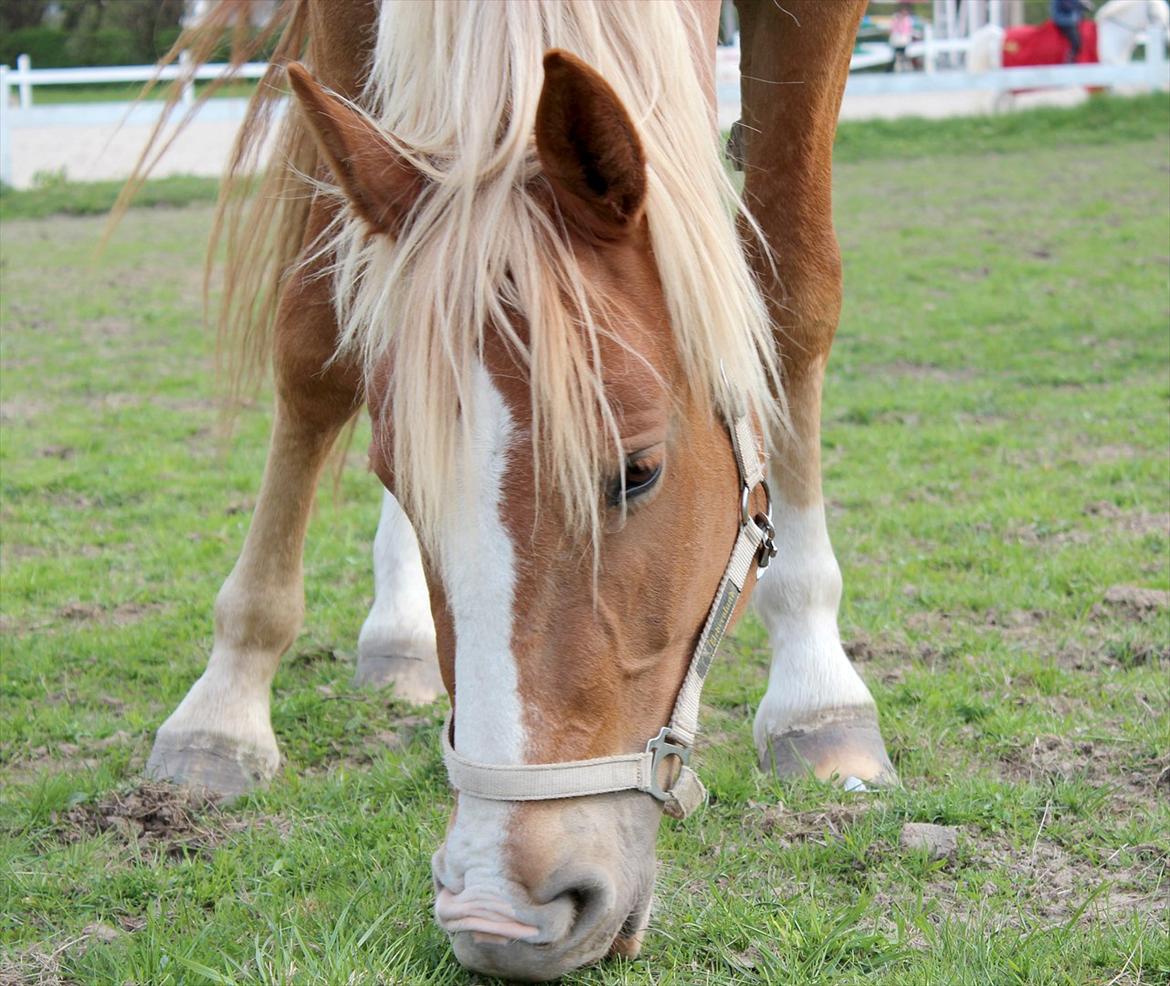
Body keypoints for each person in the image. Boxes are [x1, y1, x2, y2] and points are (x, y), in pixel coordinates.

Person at [889, 4, 915, 72]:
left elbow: (908, 30)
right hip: (897, 39)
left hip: (904, 39)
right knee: (898, 50)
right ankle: (899, 63)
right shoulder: (896, 17)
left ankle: (903, 63)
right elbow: (893, 28)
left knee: (903, 47)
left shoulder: (908, 19)